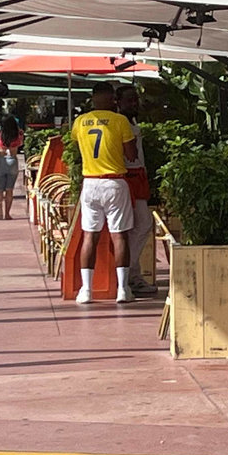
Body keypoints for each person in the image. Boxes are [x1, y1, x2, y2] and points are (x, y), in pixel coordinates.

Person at [72, 82, 139, 304]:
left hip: (90, 183)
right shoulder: (120, 121)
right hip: (115, 182)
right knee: (119, 235)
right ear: (112, 99)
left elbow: (76, 147)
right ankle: (122, 289)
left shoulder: (80, 122)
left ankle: (86, 290)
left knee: (89, 235)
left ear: (92, 98)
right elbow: (131, 155)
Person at [116, 85, 157, 296]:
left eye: (135, 100)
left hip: (138, 176)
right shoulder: (121, 123)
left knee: (138, 226)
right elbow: (130, 155)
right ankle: (129, 270)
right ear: (118, 102)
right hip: (128, 177)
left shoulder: (132, 122)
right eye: (130, 100)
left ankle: (134, 275)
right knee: (142, 224)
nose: (134, 103)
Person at [0, 115, 24, 220]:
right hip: (12, 161)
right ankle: (7, 213)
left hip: (1, 160)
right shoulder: (17, 134)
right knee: (9, 190)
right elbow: (21, 143)